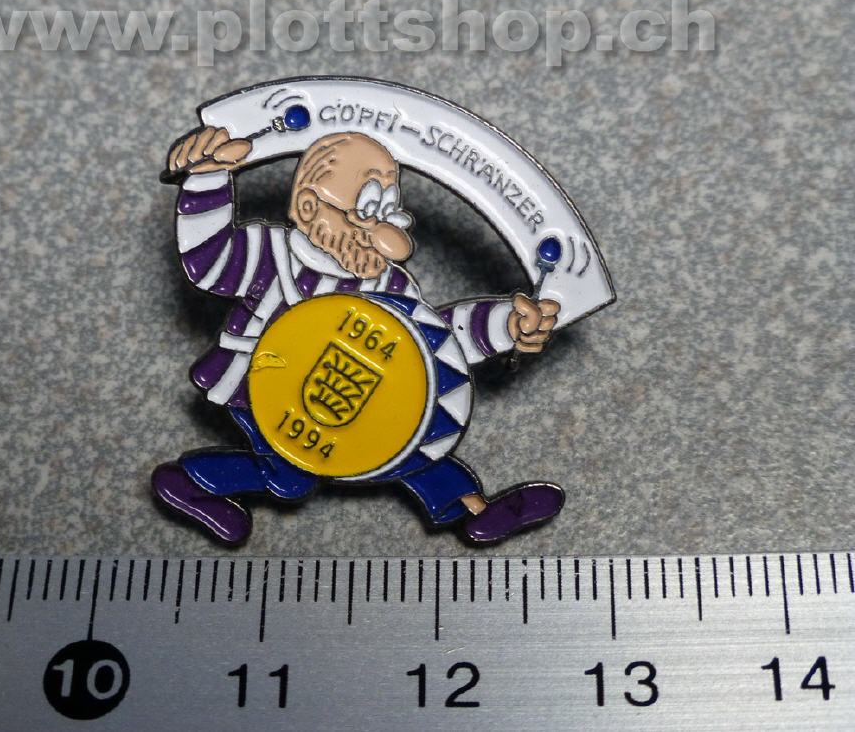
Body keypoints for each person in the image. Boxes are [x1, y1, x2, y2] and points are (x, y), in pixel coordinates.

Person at [152, 127, 564, 544]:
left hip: (352, 395)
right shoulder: (268, 254)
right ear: (309, 207)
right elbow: (209, 260)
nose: (386, 235)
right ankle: (191, 482)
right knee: (291, 476)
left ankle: (475, 510)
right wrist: (207, 179)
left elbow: (438, 338)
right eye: (367, 210)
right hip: (257, 387)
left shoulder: (389, 283)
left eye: (389, 211)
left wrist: (506, 325)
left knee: (414, 443)